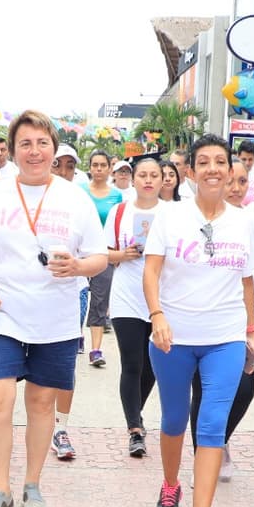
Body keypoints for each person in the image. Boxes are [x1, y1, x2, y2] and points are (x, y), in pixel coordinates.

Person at [0, 110, 109, 507]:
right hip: (1, 313)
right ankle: (0, 490)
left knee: (42, 403)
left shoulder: (74, 198)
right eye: (25, 143)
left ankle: (32, 484)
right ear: (12, 151)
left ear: (54, 149)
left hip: (55, 317)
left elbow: (99, 257)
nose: (35, 151)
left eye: (42, 143)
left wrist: (78, 266)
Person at [143, 134, 254, 507]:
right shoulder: (170, 216)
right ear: (191, 172)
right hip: (172, 338)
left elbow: (248, 283)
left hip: (224, 339)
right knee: (175, 418)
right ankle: (170, 484)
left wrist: (250, 331)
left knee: (212, 425)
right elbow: (151, 272)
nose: (213, 169)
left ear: (231, 170)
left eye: (220, 161)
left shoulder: (246, 222)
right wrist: (157, 315)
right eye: (204, 162)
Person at [188, 160, 254, 481]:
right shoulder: (195, 219)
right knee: (204, 390)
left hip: (243, 319)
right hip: (202, 319)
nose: (236, 188)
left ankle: (218, 440)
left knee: (244, 389)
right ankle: (204, 455)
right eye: (231, 181)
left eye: (242, 181)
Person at [103, 155, 165, 458]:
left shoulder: (173, 214)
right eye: (143, 175)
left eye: (154, 175)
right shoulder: (119, 212)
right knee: (131, 362)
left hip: (162, 298)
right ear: (133, 179)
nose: (148, 180)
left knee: (152, 363)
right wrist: (123, 255)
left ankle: (135, 411)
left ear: (163, 179)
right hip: (126, 295)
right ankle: (135, 429)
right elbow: (103, 253)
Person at [48, 146, 95, 460]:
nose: (63, 172)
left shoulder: (80, 202)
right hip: (28, 296)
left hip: (73, 291)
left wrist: (77, 266)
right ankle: (40, 423)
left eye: (69, 166)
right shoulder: (22, 198)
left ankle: (60, 428)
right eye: (58, 165)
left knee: (64, 363)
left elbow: (97, 255)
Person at [82, 149, 121, 359]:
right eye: (95, 165)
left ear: (109, 169)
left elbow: (118, 225)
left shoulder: (116, 195)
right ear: (89, 168)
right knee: (77, 296)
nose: (98, 169)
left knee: (99, 299)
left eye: (103, 165)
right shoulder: (80, 191)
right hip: (80, 252)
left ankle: (95, 350)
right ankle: (77, 335)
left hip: (104, 253)